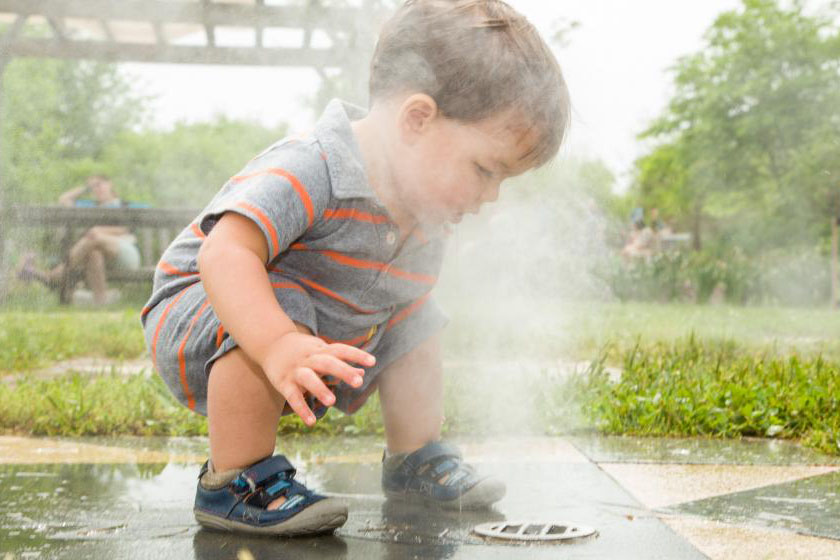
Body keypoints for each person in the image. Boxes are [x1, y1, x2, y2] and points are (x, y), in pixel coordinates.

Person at [141, 0, 570, 537]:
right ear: (418, 119)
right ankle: (234, 479)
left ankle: (414, 458)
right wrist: (278, 344)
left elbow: (401, 308)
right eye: (484, 170)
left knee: (418, 315)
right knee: (284, 299)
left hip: (312, 323)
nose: (490, 197)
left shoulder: (423, 214)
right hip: (203, 310)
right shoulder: (312, 166)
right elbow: (223, 254)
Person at [17, 174, 141, 305]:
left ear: (109, 183)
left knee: (93, 237)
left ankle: (52, 277)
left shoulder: (124, 205)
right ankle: (101, 302)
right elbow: (63, 199)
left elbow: (125, 229)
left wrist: (97, 232)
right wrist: (85, 188)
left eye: (100, 184)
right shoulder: (90, 206)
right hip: (102, 258)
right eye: (93, 187)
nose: (97, 189)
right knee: (94, 254)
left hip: (125, 254)